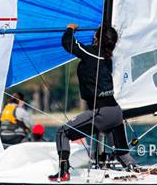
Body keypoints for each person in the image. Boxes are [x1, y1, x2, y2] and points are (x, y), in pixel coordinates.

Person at [49, 24, 138, 182]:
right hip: (116, 112)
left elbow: (68, 43)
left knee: (62, 133)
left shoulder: (92, 54)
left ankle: (63, 172)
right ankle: (136, 171)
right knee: (123, 153)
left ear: (97, 38)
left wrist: (70, 29)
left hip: (102, 112)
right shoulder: (107, 58)